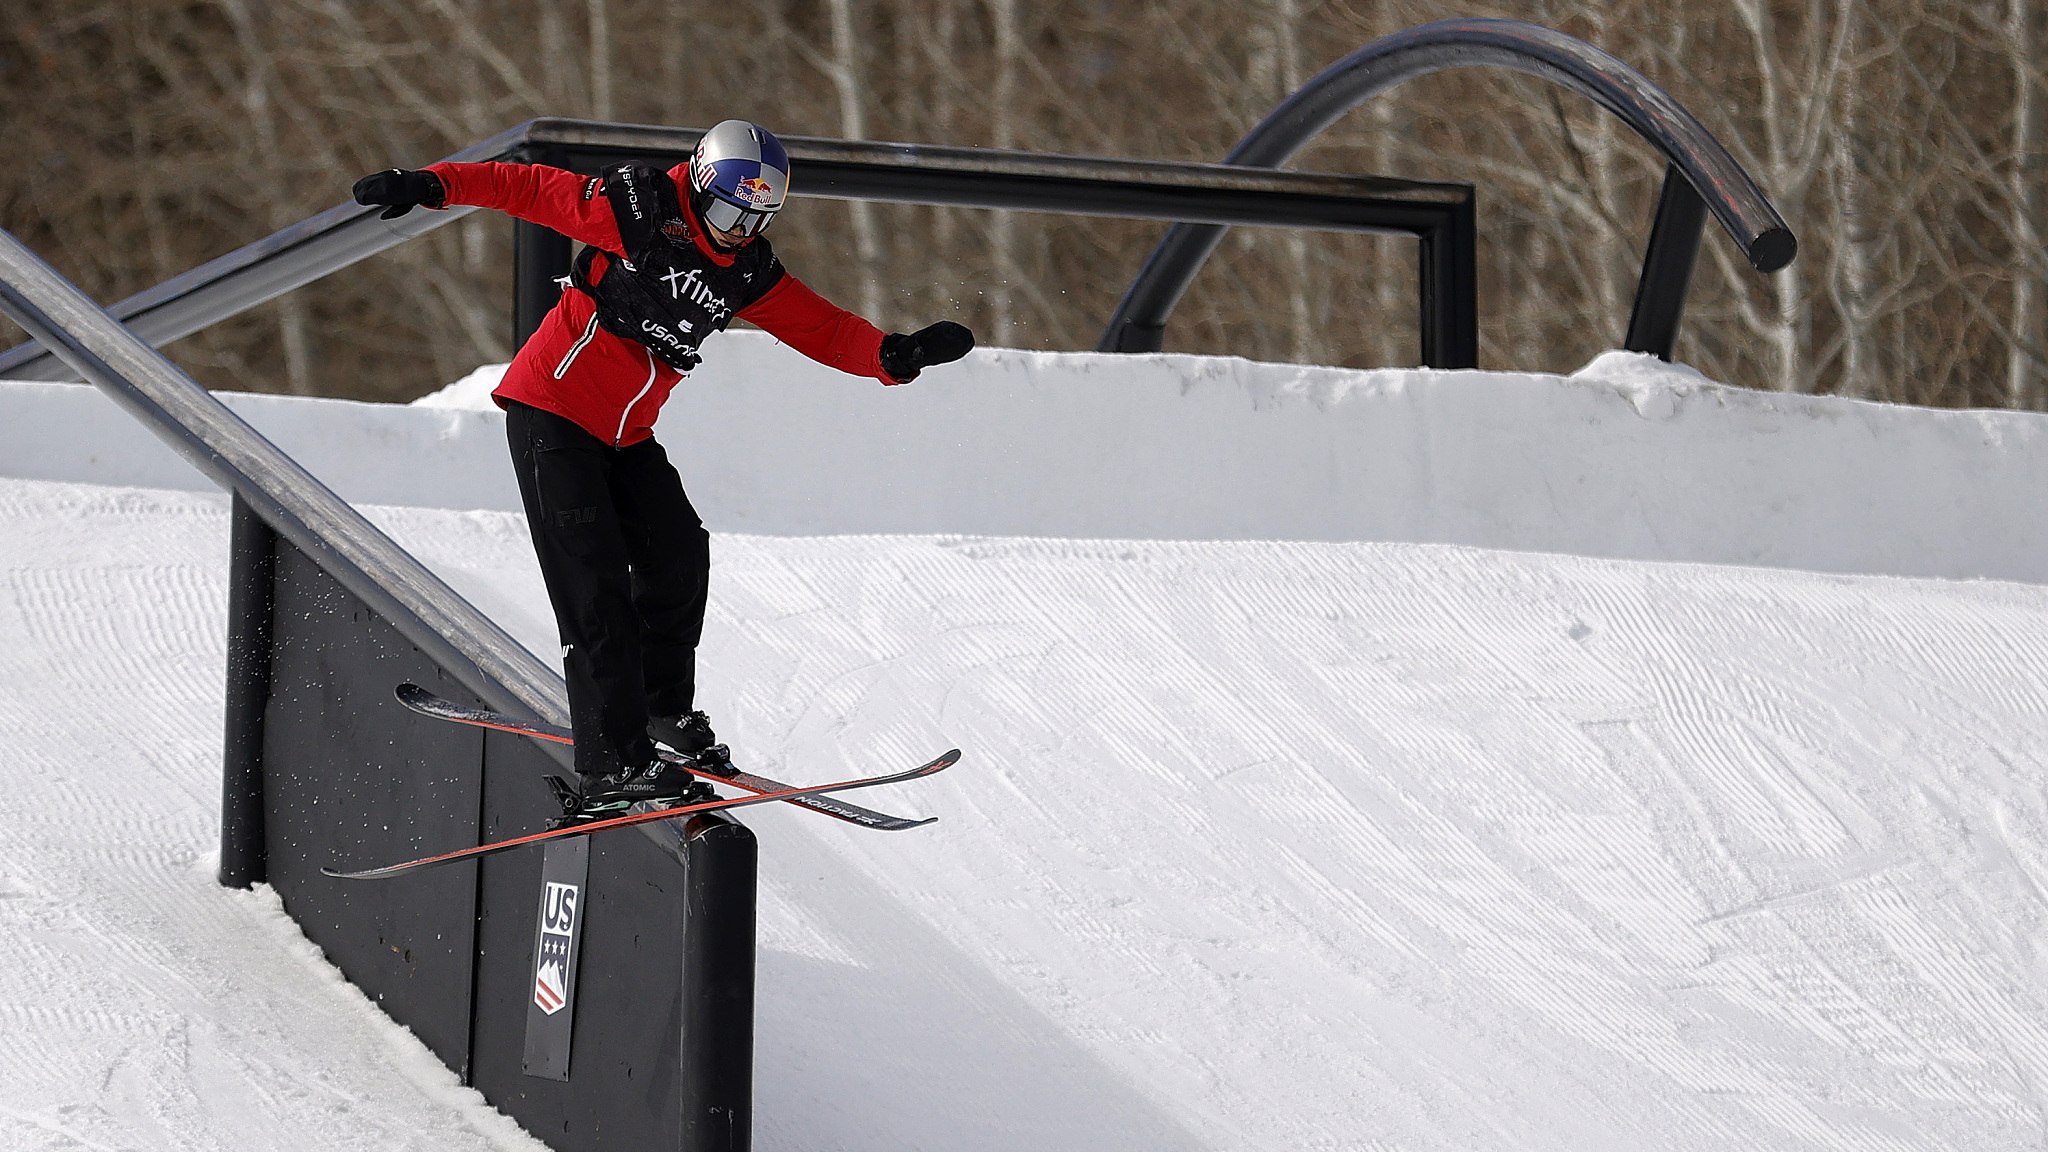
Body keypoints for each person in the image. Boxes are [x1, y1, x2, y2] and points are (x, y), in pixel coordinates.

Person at [352, 120, 974, 820]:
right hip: (553, 413)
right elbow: (522, 185)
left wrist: (892, 356)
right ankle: (611, 766)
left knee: (677, 555)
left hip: (625, 435)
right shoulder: (637, 210)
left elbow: (820, 326)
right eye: (730, 210)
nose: (739, 229)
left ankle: (659, 715)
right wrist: (432, 183)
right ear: (701, 183)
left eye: (757, 217)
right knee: (596, 593)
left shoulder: (745, 269)